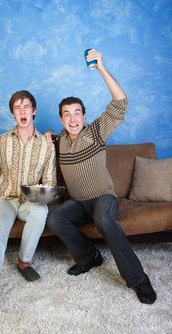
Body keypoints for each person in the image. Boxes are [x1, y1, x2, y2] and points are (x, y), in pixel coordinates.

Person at [47, 49, 157, 305]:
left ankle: (138, 279)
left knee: (104, 221)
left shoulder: (95, 132)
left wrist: (101, 68)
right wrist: (48, 135)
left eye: (77, 113)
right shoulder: (60, 139)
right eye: (67, 114)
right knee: (56, 218)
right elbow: (43, 140)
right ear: (61, 119)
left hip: (103, 199)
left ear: (84, 116)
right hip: (78, 203)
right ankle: (89, 257)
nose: (72, 118)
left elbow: (121, 104)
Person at [0, 90, 57, 320]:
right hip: (5, 200)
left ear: (34, 110)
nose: (22, 110)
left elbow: (50, 182)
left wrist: (41, 193)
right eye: (18, 107)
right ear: (13, 113)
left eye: (27, 106)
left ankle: (24, 261)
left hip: (30, 201)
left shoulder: (47, 145)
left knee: (41, 210)